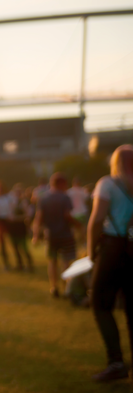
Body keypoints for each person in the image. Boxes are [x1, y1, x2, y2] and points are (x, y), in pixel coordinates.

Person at [86, 145, 133, 383]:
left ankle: (115, 362)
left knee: (100, 303)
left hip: (113, 248)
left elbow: (96, 220)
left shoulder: (108, 183)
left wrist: (91, 250)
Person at [32, 173, 78, 298]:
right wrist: (78, 225)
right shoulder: (65, 198)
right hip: (65, 234)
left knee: (52, 261)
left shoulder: (43, 198)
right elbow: (67, 215)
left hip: (50, 235)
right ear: (61, 184)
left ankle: (54, 287)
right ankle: (66, 287)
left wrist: (36, 235)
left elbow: (38, 218)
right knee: (66, 261)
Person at [6, 184, 34, 272]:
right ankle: (20, 264)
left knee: (24, 247)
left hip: (21, 227)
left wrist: (17, 218)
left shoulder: (24, 202)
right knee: (15, 247)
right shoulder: (11, 202)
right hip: (13, 227)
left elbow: (27, 215)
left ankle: (30, 265)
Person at [68, 177, 90, 250]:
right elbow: (86, 200)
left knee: (73, 230)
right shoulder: (83, 191)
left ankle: (74, 243)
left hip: (73, 213)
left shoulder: (69, 192)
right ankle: (83, 243)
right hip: (82, 212)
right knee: (83, 229)